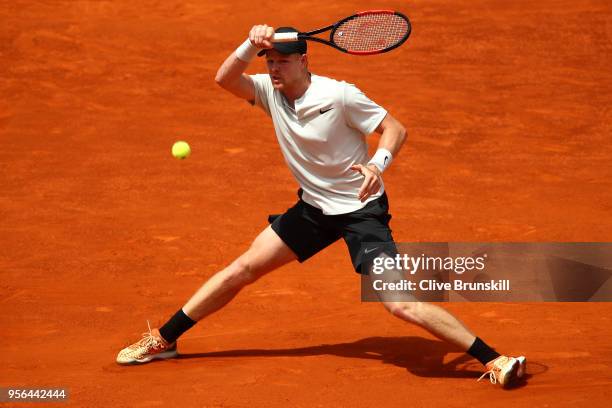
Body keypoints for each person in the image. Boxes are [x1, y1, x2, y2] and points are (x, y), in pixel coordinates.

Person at [116, 25, 526, 387]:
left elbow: (394, 129)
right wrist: (248, 41)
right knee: (242, 268)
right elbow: (224, 78)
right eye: (269, 61)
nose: (273, 69)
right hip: (313, 210)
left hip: (361, 211)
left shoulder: (340, 94)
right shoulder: (267, 93)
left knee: (400, 303)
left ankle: (494, 358)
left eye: (282, 62)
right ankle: (164, 339)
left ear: (303, 61)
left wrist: (377, 165)